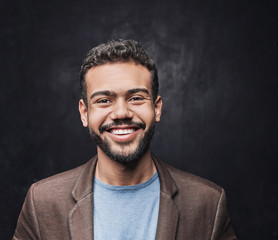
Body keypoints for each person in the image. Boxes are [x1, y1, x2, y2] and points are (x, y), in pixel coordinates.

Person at [13, 39, 237, 240]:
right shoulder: (42, 202)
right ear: (84, 113)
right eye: (104, 100)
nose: (121, 112)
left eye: (136, 98)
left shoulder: (207, 203)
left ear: (156, 108)